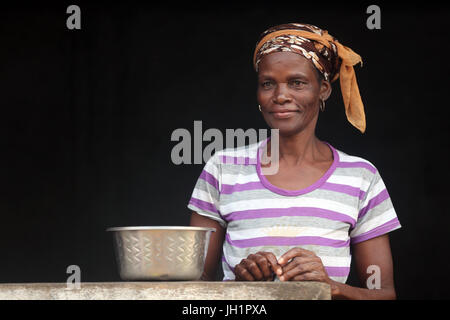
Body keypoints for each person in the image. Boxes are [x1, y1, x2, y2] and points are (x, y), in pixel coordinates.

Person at [187, 23, 401, 300]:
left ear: (323, 90)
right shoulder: (223, 169)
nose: (281, 96)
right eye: (268, 84)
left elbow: (383, 294)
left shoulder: (361, 177)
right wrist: (239, 286)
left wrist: (330, 288)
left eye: (297, 82)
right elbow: (191, 287)